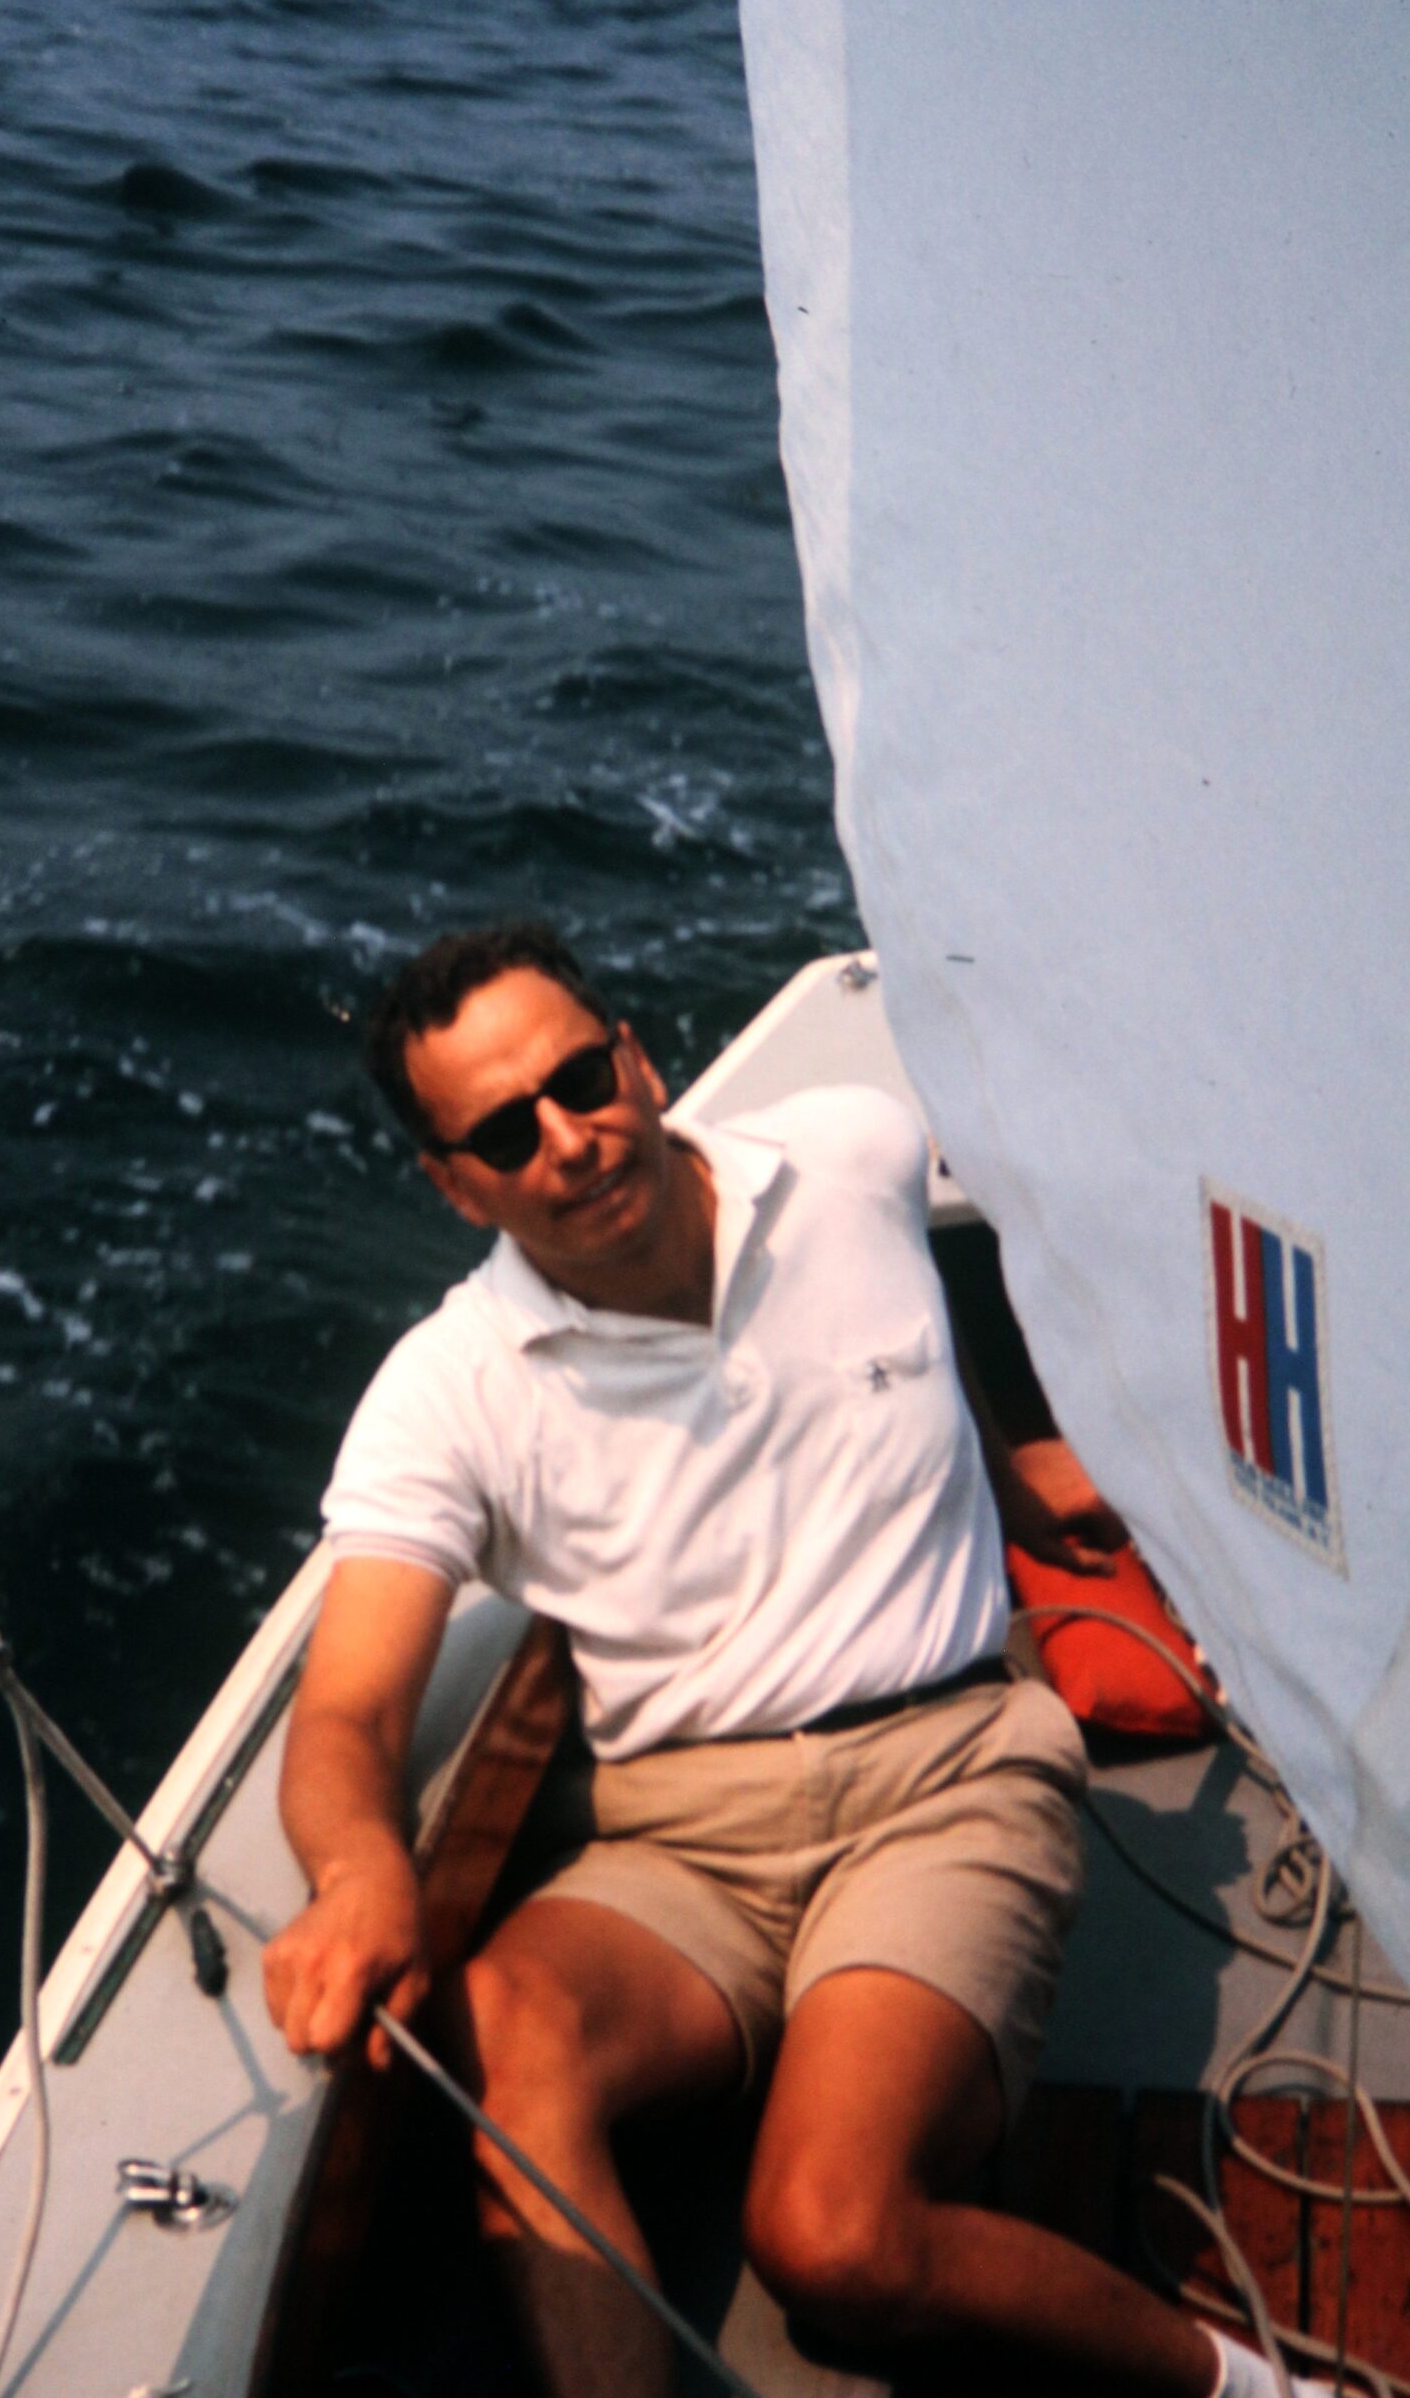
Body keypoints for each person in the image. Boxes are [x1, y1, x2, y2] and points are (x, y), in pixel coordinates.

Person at [262, 922, 1322, 2398]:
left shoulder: (852, 1153)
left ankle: (1254, 2391)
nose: (567, 1137)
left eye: (581, 1079)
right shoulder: (447, 1393)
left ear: (636, 1059)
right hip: (679, 1840)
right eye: (504, 1132)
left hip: (945, 1783)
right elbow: (351, 1712)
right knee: (497, 2033)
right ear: (455, 1187)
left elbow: (904, 1321)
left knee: (833, 2239)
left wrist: (1012, 1478)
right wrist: (360, 1869)